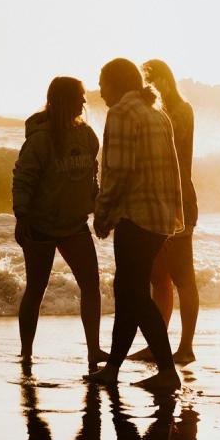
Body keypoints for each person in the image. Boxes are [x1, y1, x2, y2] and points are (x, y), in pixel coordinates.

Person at [83, 58, 184, 391]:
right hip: (159, 218)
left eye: (103, 83)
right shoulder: (157, 114)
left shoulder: (122, 113)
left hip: (135, 216)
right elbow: (174, 170)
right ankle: (112, 367)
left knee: (133, 293)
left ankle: (168, 372)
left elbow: (119, 172)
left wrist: (103, 214)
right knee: (127, 291)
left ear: (117, 83)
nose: (100, 92)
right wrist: (175, 214)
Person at [11, 76, 106, 365]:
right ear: (64, 99)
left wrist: (97, 207)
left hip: (75, 224)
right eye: (79, 96)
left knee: (91, 284)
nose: (84, 101)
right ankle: (26, 353)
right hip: (40, 224)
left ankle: (93, 350)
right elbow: (22, 179)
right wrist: (21, 216)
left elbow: (93, 175)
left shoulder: (87, 135)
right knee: (36, 289)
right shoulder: (40, 139)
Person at [129, 59, 200, 364]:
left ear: (164, 81)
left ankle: (186, 347)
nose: (147, 88)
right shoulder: (154, 113)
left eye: (151, 82)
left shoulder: (180, 112)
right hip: (155, 200)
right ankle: (158, 344)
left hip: (179, 199)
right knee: (158, 277)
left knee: (183, 276)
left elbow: (173, 152)